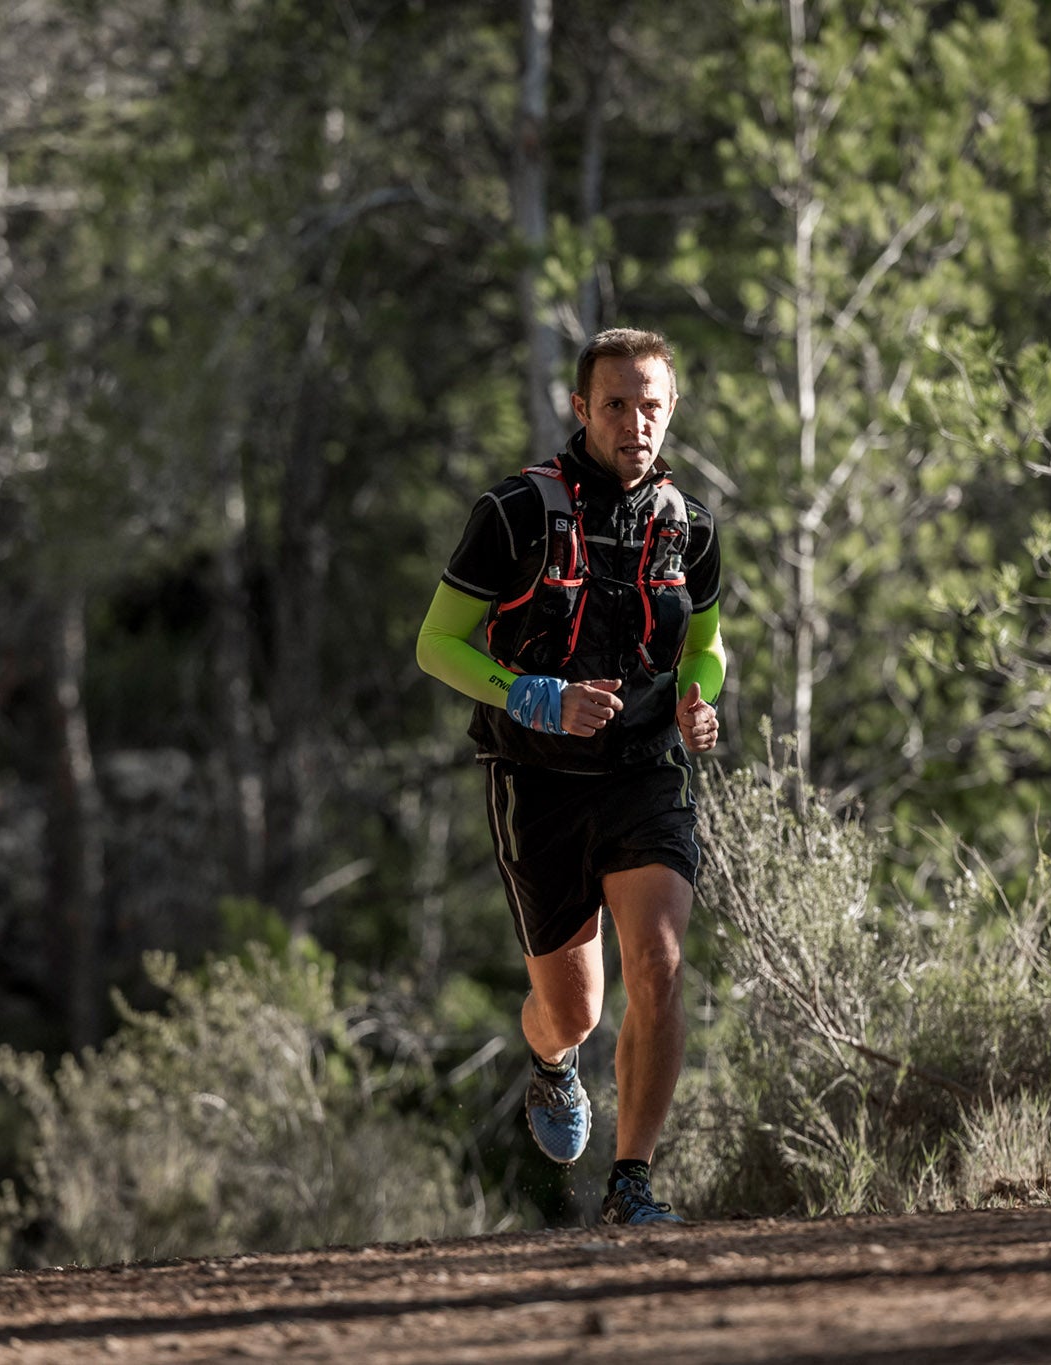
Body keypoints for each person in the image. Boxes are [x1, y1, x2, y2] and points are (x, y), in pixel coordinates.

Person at [416, 327, 726, 1226]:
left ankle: (633, 1183)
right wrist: (532, 696)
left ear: (671, 411)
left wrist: (698, 702)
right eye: (617, 403)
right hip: (536, 777)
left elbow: (706, 648)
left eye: (652, 405)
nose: (636, 421)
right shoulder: (515, 512)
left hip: (642, 770)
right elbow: (436, 644)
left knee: (661, 965)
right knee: (576, 1009)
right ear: (583, 408)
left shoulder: (691, 528)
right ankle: (553, 1063)